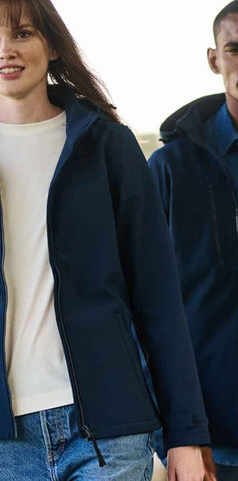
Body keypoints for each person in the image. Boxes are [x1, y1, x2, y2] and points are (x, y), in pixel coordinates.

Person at [0, 0, 211, 480]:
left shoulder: (108, 147)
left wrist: (185, 434)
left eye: (22, 33)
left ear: (52, 45)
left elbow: (157, 297)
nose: (6, 50)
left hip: (109, 431)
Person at [148, 2, 238, 480]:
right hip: (214, 444)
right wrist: (176, 433)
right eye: (235, 49)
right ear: (213, 59)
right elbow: (142, 309)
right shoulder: (170, 170)